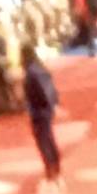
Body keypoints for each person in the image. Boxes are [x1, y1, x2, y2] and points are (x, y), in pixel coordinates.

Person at [21, 49, 62, 185]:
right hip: (45, 110)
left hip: (39, 111)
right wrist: (54, 104)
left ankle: (51, 170)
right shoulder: (41, 69)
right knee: (48, 138)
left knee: (43, 141)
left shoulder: (32, 73)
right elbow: (50, 90)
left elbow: (44, 92)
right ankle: (55, 166)